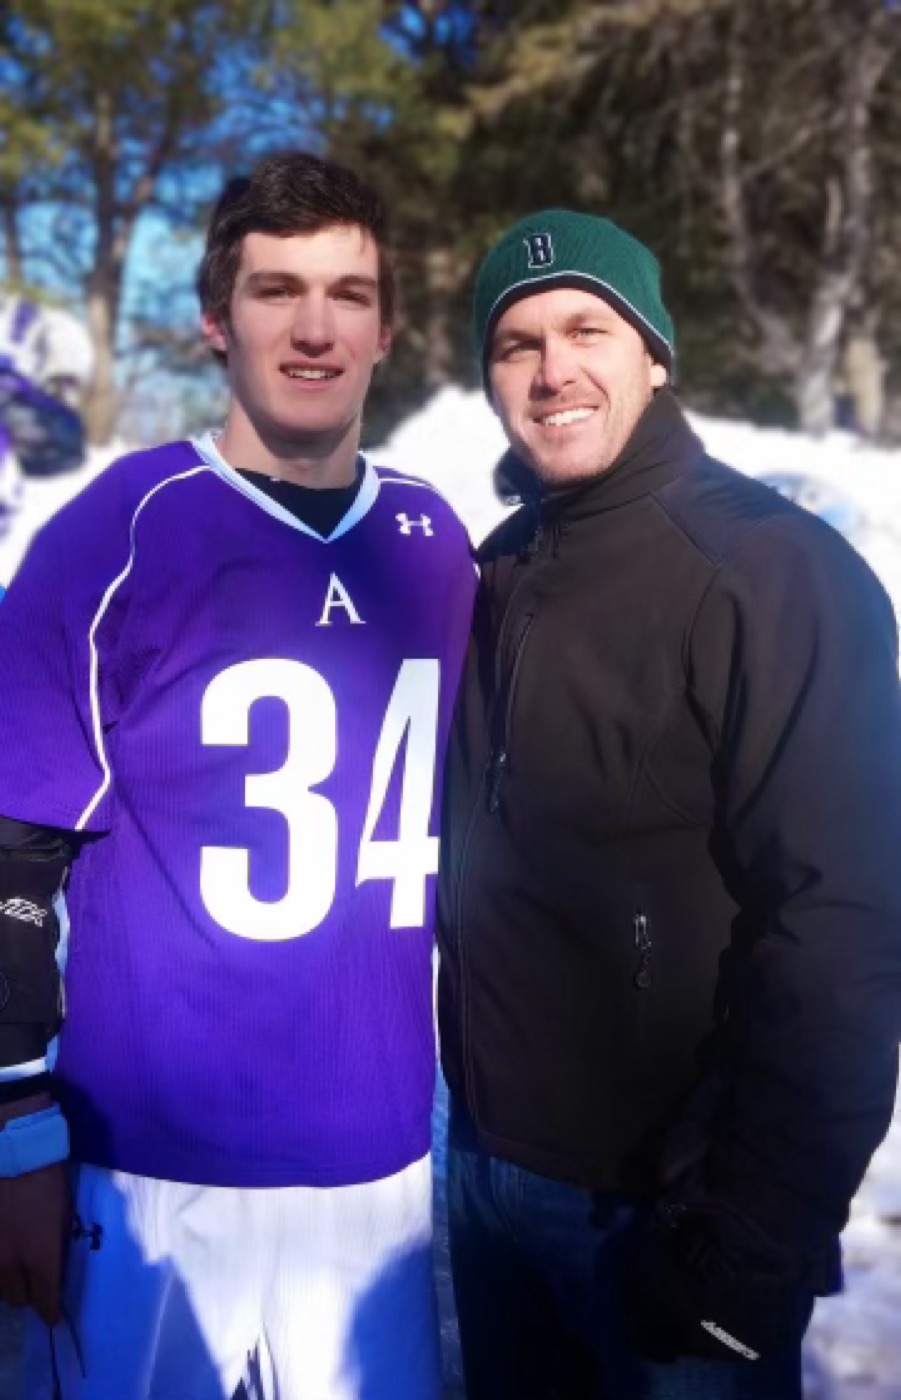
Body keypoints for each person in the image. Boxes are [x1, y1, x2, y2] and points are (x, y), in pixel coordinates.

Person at [0, 150, 474, 1400]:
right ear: (218, 317)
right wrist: (14, 1129)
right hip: (151, 1173)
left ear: (387, 326)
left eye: (347, 292)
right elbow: (9, 850)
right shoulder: (124, 525)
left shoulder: (439, 542)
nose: (313, 327)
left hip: (374, 1169)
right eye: (275, 290)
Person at [436, 209, 901, 1398]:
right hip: (492, 1180)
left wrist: (749, 1236)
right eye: (516, 343)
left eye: (587, 328)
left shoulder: (767, 569)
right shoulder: (499, 568)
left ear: (654, 352)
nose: (552, 370)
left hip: (670, 1206)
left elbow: (844, 922)